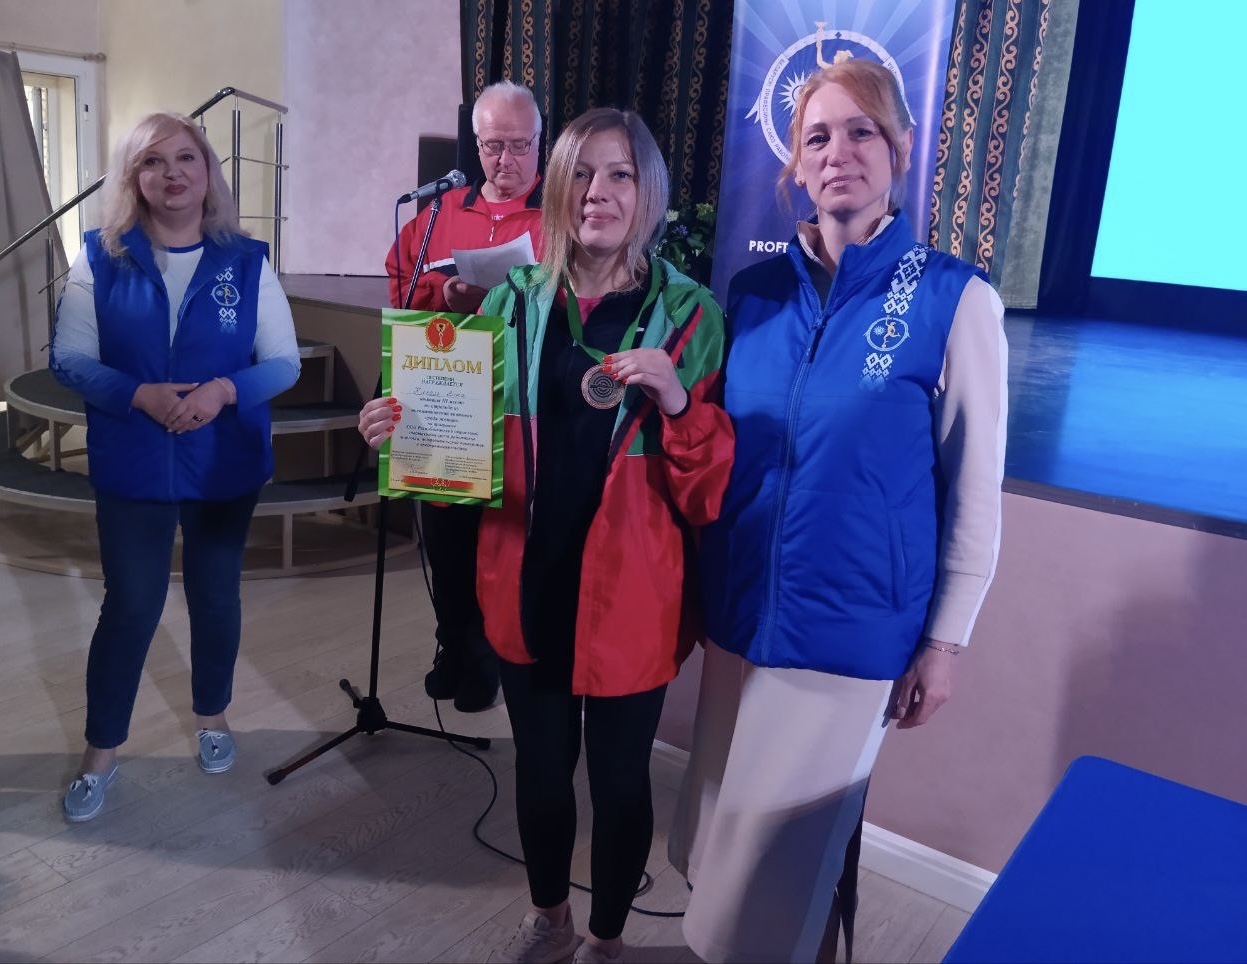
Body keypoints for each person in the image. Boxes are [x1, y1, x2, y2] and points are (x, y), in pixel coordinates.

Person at [361, 107, 734, 963]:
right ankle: (550, 918)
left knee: (619, 782)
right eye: (580, 174)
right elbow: (459, 446)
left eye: (619, 174)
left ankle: (605, 940)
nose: (597, 192)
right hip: (524, 581)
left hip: (632, 596)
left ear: (647, 193)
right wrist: (400, 428)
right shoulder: (510, 302)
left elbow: (709, 491)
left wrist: (677, 400)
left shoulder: (692, 317)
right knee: (537, 771)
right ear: (556, 189)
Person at [668, 59, 1008, 964]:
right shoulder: (753, 295)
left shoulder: (953, 299)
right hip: (741, 622)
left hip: (849, 635)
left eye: (860, 131)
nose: (837, 152)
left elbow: (974, 485)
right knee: (720, 860)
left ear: (899, 148)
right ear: (794, 163)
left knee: (774, 882)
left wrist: (944, 642)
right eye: (816, 136)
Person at [49, 112, 301, 822]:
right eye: (153, 162)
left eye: (186, 158)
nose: (173, 174)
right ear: (135, 179)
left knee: (215, 598)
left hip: (223, 463)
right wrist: (138, 395)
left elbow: (282, 363)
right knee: (131, 605)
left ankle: (212, 717)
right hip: (133, 461)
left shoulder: (246, 261)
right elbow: (69, 359)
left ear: (208, 171)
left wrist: (224, 391)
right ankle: (101, 752)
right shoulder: (99, 258)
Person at [373, 79, 546, 713]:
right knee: (444, 540)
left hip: (517, 406)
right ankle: (453, 644)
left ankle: (489, 657)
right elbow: (400, 284)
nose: (506, 159)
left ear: (540, 142)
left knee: (496, 544)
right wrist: (441, 296)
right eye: (493, 146)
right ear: (475, 145)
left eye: (519, 145)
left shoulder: (558, 215)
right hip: (445, 402)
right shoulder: (440, 213)